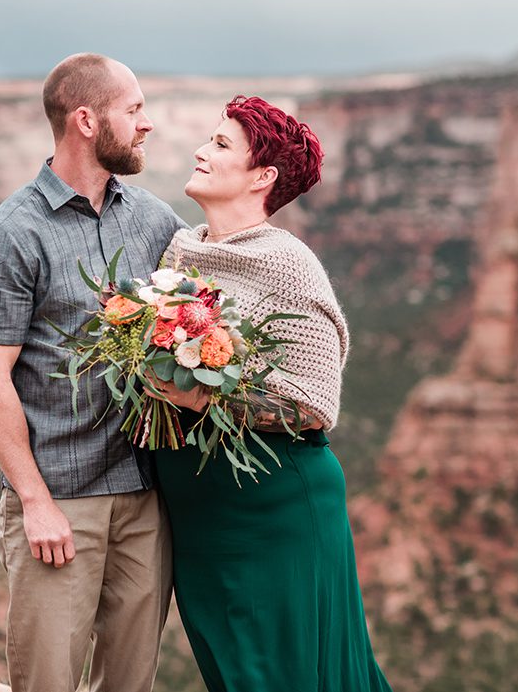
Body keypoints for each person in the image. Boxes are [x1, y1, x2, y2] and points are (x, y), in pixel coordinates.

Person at [0, 53, 184, 692]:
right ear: (86, 120)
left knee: (129, 683)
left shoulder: (153, 219)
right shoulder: (7, 236)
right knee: (49, 682)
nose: (147, 124)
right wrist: (34, 501)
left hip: (144, 497)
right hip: (60, 504)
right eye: (134, 110)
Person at [153, 95, 393, 692]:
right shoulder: (180, 250)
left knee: (281, 675)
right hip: (201, 508)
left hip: (274, 505)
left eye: (221, 145)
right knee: (230, 669)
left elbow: (314, 401)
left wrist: (202, 398)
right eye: (209, 140)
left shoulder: (288, 263)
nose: (201, 152)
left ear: (262, 177)